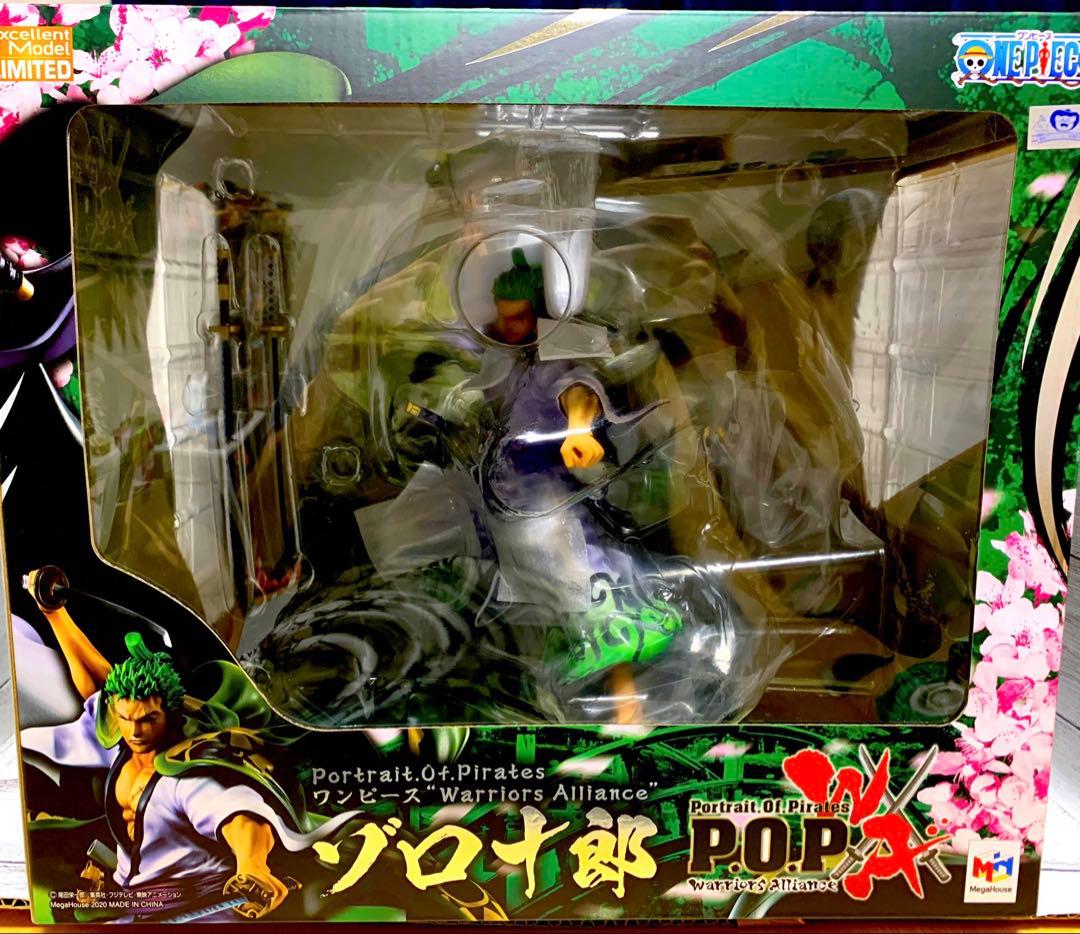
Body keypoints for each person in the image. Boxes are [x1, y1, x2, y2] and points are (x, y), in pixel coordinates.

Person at [20, 566, 357, 922]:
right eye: (127, 719)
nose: (136, 731)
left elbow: (241, 817)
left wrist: (252, 866)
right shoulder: (123, 741)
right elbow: (99, 684)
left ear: (170, 714)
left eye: (148, 720)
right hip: (134, 908)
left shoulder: (186, 777)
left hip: (197, 913)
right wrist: (54, 613)